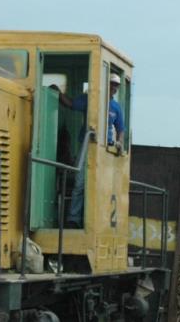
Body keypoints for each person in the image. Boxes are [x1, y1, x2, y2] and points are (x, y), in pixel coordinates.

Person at [49, 73, 126, 228]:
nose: (113, 87)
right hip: (87, 147)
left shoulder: (116, 108)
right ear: (106, 84)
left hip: (106, 151)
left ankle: (99, 221)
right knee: (79, 184)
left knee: (102, 187)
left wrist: (118, 144)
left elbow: (121, 129)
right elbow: (70, 104)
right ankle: (74, 219)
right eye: (111, 84)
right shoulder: (90, 100)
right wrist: (55, 92)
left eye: (116, 85)